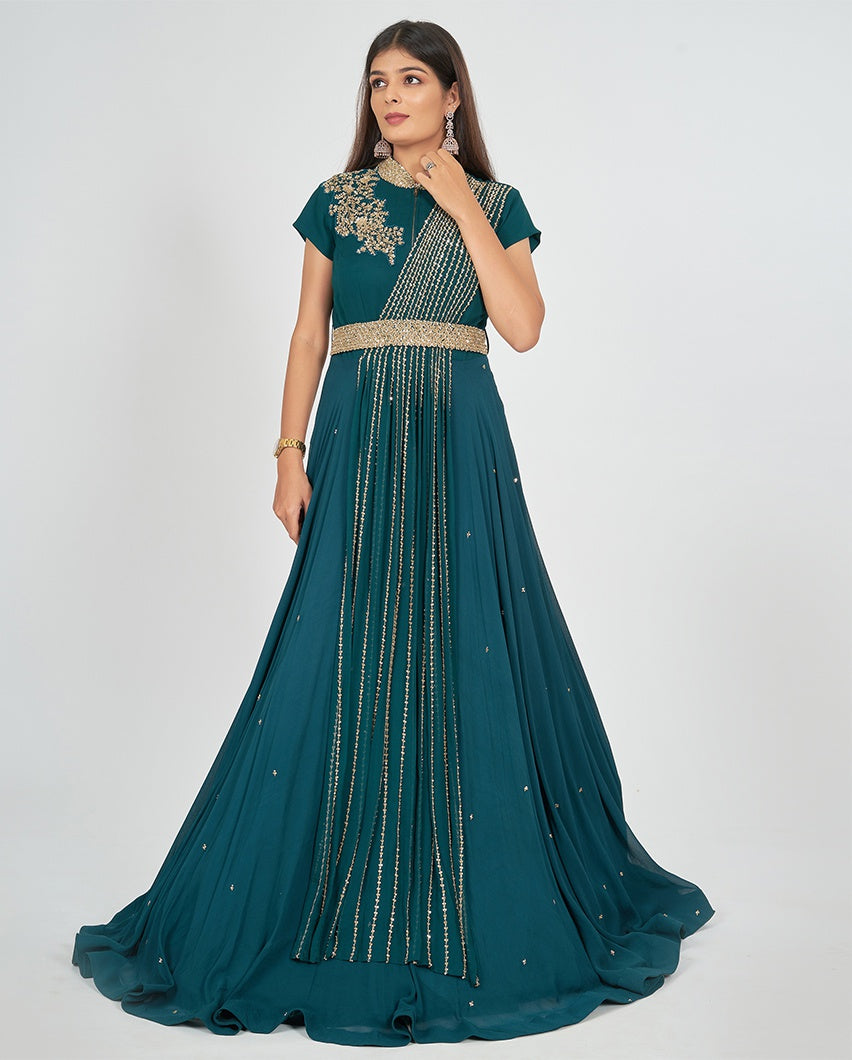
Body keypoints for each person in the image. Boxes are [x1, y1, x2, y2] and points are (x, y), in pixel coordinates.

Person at [72, 18, 715, 1047]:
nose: (391, 97)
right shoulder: (338, 201)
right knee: (341, 645)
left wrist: (459, 200)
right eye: (378, 82)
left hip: (460, 444)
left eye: (412, 79)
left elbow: (523, 328)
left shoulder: (497, 204)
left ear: (454, 95)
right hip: (358, 437)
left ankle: (468, 890)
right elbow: (307, 332)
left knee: (470, 644)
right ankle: (327, 890)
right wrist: (287, 453)